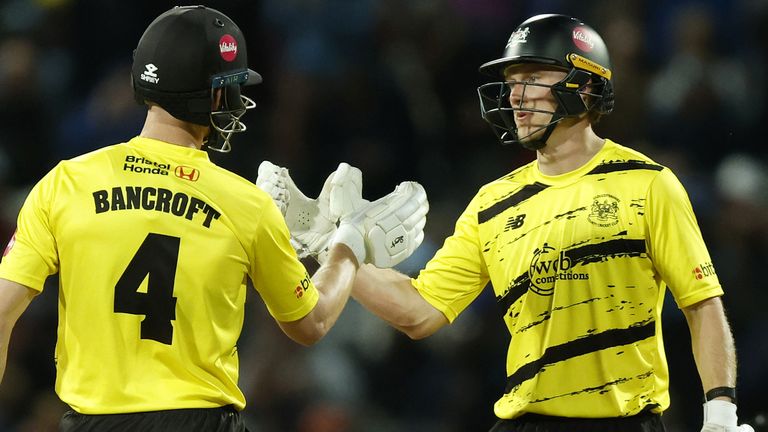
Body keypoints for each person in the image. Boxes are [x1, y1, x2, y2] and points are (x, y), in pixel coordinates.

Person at [258, 13, 753, 432]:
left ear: (584, 84)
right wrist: (331, 246)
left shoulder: (649, 184)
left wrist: (721, 412)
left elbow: (701, 305)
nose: (515, 96)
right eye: (512, 82)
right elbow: (420, 311)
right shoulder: (492, 203)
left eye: (532, 78)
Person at [0, 5, 427, 431]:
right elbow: (310, 324)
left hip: (92, 423)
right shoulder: (245, 204)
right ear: (216, 95)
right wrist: (347, 248)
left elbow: (3, 310)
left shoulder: (64, 184)